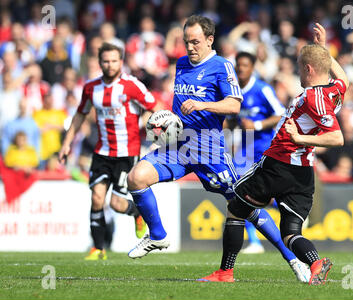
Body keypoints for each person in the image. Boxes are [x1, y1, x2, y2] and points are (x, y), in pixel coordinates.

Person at [126, 15, 310, 283]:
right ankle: (157, 235)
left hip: (209, 151)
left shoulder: (222, 66)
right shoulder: (181, 64)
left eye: (195, 42)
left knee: (245, 207)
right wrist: (163, 133)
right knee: (136, 178)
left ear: (210, 40)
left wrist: (202, 105)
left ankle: (293, 260)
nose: (190, 47)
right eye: (186, 42)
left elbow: (234, 105)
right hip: (177, 147)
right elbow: (179, 110)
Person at [204, 23, 349, 285]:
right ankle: (316, 263)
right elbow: (344, 80)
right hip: (304, 172)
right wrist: (324, 49)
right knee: (291, 232)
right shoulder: (333, 91)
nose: (297, 72)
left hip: (279, 163)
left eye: (299, 67)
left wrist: (299, 137)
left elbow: (337, 137)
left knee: (236, 209)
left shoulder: (313, 97)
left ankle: (225, 273)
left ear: (308, 69)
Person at [58, 42, 156, 260]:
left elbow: (155, 107)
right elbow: (80, 114)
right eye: (106, 61)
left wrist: (152, 129)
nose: (110, 65)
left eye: (114, 61)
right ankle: (98, 248)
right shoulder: (91, 88)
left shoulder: (132, 86)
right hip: (102, 152)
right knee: (96, 198)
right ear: (99, 62)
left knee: (117, 204)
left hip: (127, 153)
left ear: (121, 62)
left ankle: (137, 212)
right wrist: (67, 143)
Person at [227, 51, 285, 254]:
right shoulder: (234, 92)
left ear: (252, 68)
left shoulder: (262, 89)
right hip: (244, 150)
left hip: (264, 148)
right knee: (241, 193)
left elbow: (281, 113)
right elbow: (234, 119)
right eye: (238, 65)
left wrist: (257, 124)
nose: (241, 69)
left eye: (245, 65)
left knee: (259, 193)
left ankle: (286, 209)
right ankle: (254, 241)